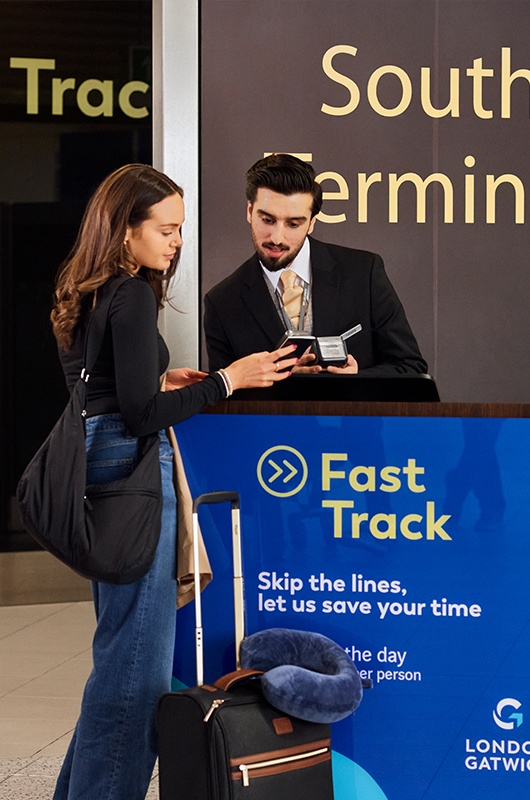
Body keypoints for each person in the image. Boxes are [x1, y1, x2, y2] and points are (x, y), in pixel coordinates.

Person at [50, 163, 298, 800]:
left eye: (180, 229)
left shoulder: (88, 288)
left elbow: (104, 394)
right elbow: (139, 417)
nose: (176, 242)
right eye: (165, 229)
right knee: (138, 670)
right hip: (133, 472)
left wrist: (161, 378)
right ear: (124, 230)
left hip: (98, 470)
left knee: (118, 656)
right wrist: (229, 380)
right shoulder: (132, 294)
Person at [204, 153, 428, 377]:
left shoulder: (363, 273)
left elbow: (411, 368)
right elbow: (225, 394)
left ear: (311, 223)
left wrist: (357, 380)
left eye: (293, 224)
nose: (277, 237)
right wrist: (285, 380)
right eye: (267, 220)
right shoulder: (222, 303)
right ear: (250, 212)